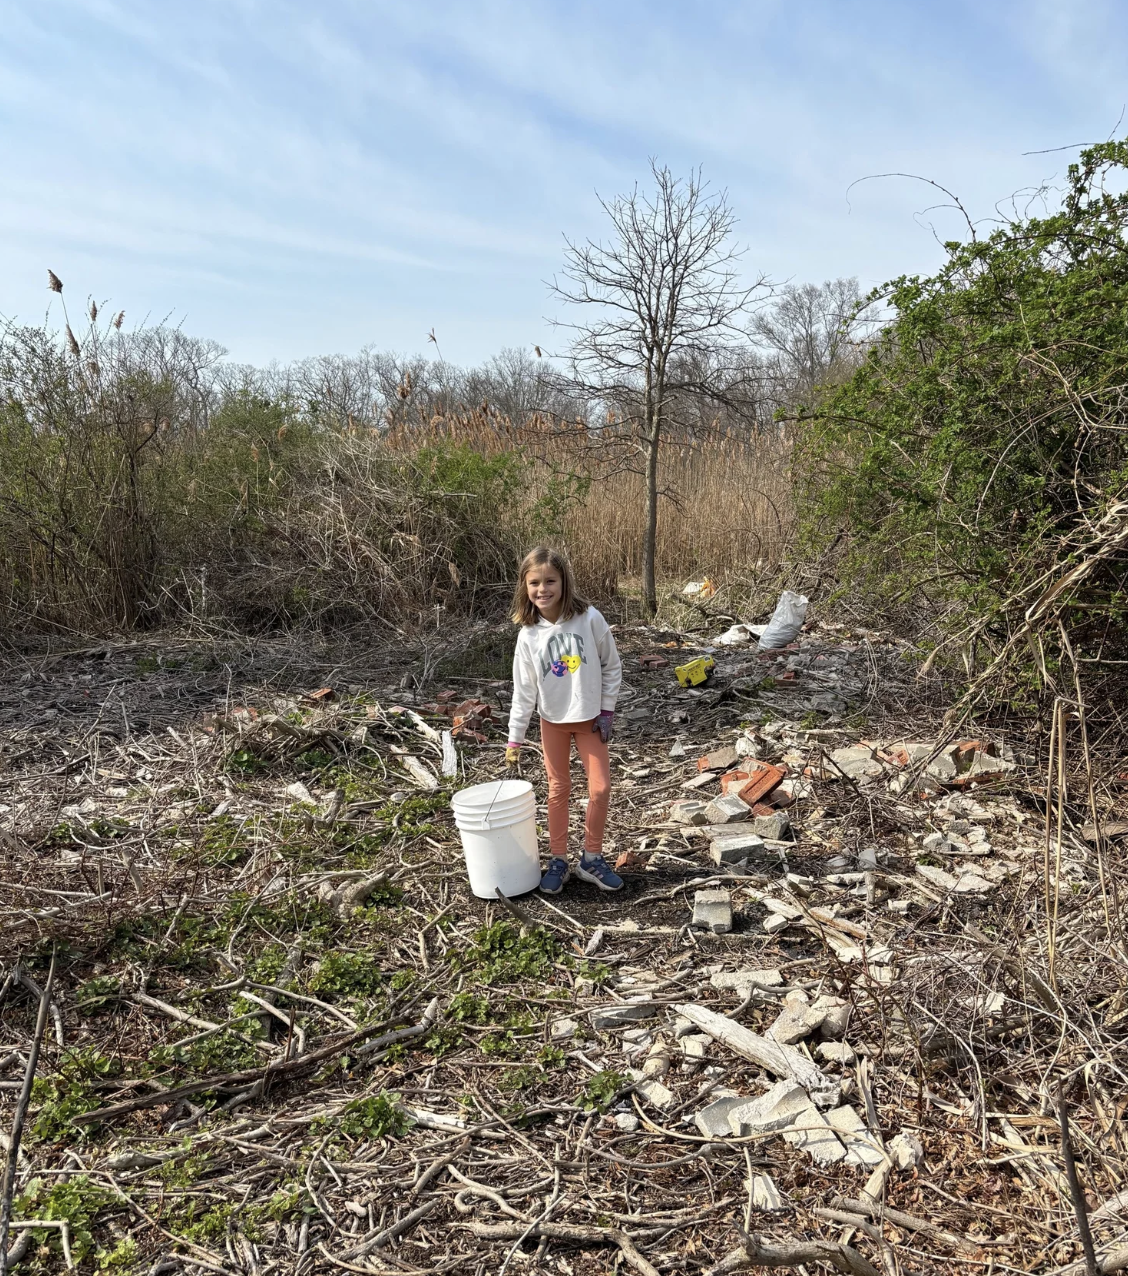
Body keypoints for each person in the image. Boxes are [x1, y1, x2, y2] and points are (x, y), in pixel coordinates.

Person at [505, 546, 623, 894]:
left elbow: (611, 666)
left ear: (564, 582)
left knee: (600, 788)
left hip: (590, 720)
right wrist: (514, 739)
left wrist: (606, 709)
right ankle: (558, 859)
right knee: (558, 790)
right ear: (525, 587)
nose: (543, 589)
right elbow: (523, 691)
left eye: (550, 581)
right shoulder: (528, 635)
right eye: (535, 583)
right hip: (552, 721)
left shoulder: (589, 619)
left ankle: (591, 858)